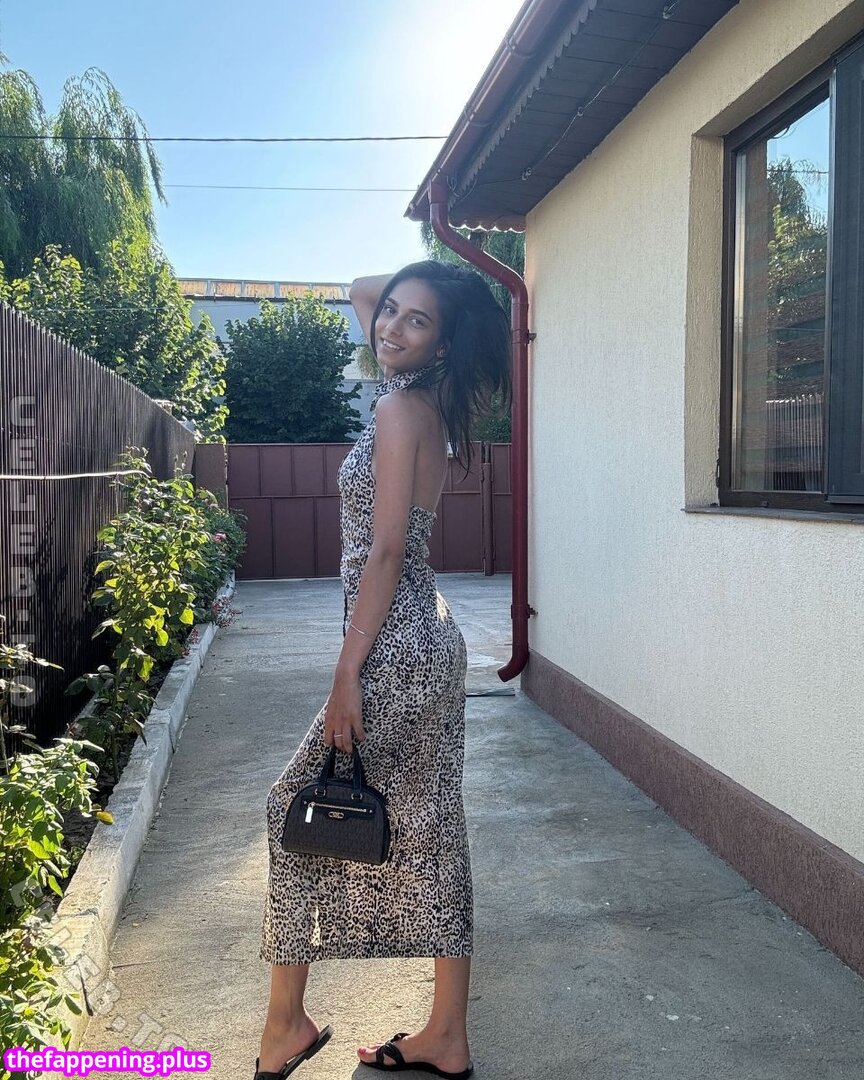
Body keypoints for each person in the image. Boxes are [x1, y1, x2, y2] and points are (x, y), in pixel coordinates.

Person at [254, 259, 511, 1080]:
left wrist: (346, 673)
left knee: (292, 809)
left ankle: (287, 1025)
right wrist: (418, 291)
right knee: (431, 825)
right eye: (391, 312)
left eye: (416, 321)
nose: (390, 326)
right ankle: (446, 1035)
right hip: (425, 638)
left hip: (395, 644)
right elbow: (365, 290)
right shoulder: (424, 404)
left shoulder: (402, 409)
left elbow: (388, 551)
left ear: (444, 345)